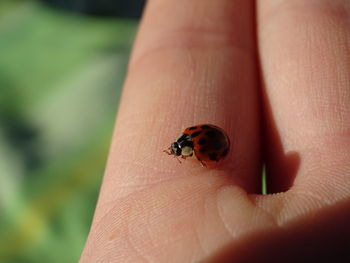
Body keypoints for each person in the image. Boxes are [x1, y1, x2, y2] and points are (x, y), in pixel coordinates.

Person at [80, 0, 350, 262]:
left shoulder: (197, 148)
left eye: (178, 150)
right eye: (177, 149)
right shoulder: (190, 137)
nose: (177, 151)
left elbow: (203, 149)